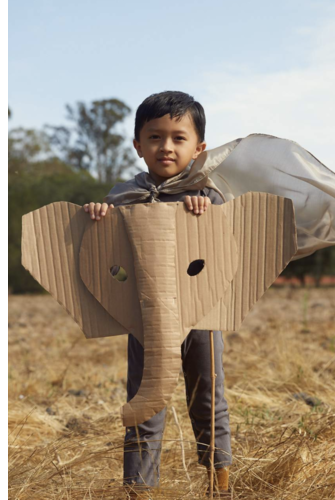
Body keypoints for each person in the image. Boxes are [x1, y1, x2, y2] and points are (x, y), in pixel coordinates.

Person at [84, 91, 232, 498]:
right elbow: (110, 263)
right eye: (154, 137)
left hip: (201, 318)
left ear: (198, 149)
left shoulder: (209, 195)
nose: (166, 146)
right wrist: (99, 221)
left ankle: (219, 483)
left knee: (208, 398)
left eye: (178, 138)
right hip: (145, 321)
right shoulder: (121, 197)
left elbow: (225, 251)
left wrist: (208, 217)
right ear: (137, 145)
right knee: (144, 404)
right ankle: (139, 490)